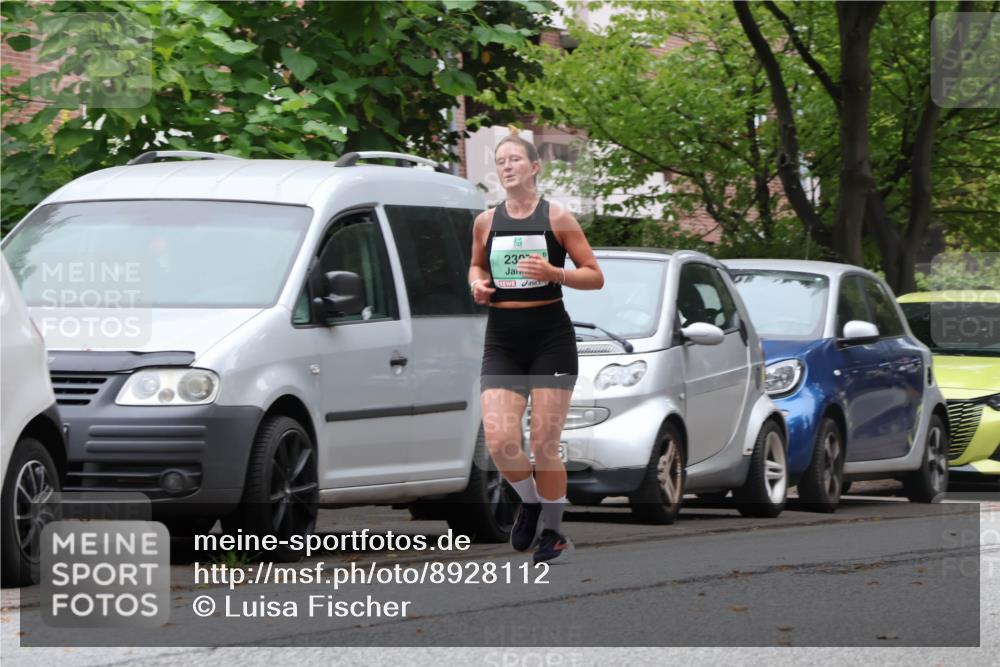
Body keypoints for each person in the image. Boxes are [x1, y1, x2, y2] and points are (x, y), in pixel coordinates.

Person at [468, 130, 604, 565]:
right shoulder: (486, 222)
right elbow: (474, 263)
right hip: (503, 339)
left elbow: (594, 274)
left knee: (544, 442)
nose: (507, 167)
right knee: (501, 441)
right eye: (501, 161)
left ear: (534, 167)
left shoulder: (558, 218)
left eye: (515, 160)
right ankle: (528, 500)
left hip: (550, 339)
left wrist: (554, 272)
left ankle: (555, 535)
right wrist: (477, 285)